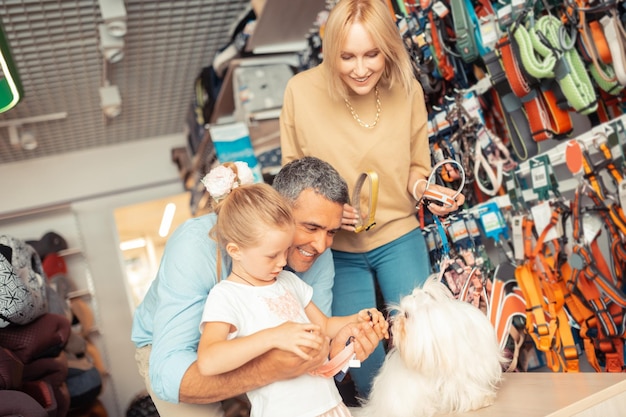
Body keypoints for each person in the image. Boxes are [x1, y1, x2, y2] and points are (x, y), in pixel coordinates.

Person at [279, 0, 466, 398]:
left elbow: (417, 166)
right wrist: (320, 208)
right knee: (361, 360)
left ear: (388, 48)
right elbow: (290, 177)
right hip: (336, 250)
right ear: (331, 52)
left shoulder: (407, 90)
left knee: (427, 346)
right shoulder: (300, 92)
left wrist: (424, 189)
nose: (360, 69)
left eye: (371, 54)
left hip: (399, 236)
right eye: (346, 56)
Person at [131, 157, 383, 417]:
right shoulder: (195, 248)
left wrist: (345, 349)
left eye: (331, 232)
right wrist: (268, 368)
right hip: (181, 354)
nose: (320, 245)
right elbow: (171, 375)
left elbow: (316, 343)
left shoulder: (316, 257)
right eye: (311, 227)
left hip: (264, 353)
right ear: (278, 210)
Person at [197, 181, 389, 417]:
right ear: (235, 251)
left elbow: (326, 326)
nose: (281, 262)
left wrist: (359, 320)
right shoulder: (226, 296)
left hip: (330, 406)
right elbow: (208, 360)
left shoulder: (288, 281)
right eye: (272, 255)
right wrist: (274, 336)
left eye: (285, 250)